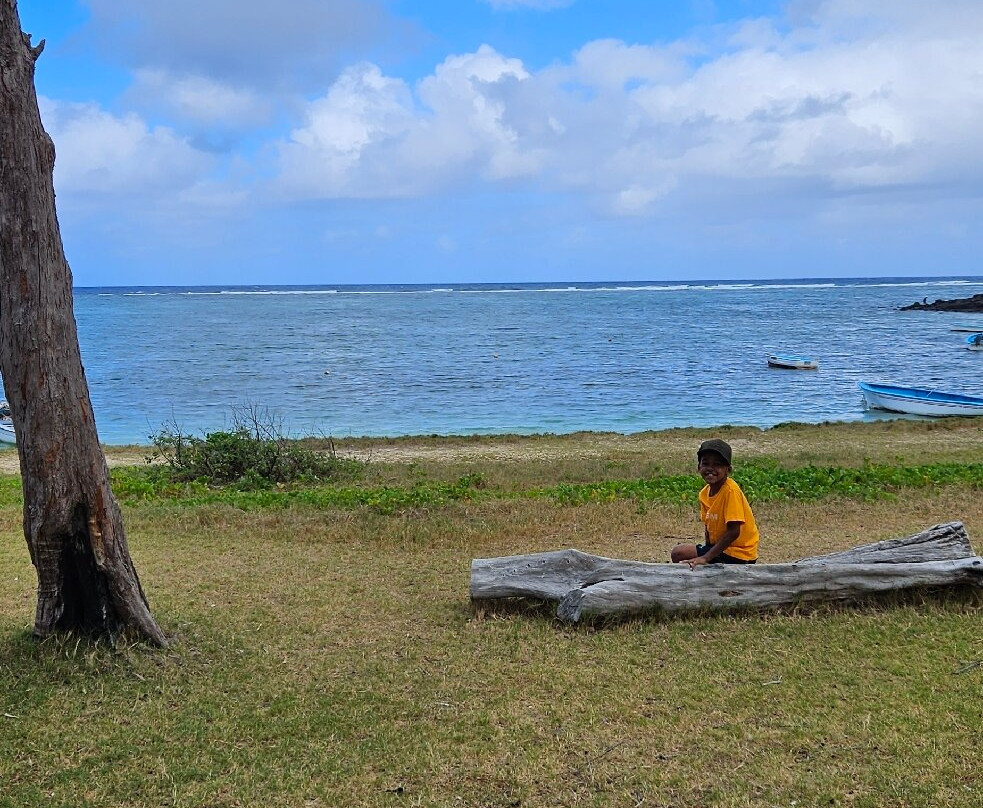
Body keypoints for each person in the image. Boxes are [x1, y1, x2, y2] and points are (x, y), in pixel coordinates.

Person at [671, 439, 759, 567]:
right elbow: (708, 527)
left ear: (728, 470)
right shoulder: (704, 493)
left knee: (679, 553)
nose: (710, 469)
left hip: (740, 554)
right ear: (699, 467)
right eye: (706, 463)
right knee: (680, 553)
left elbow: (734, 531)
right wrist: (707, 551)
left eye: (717, 464)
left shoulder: (730, 491)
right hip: (723, 550)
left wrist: (706, 557)